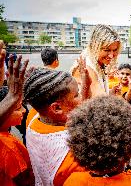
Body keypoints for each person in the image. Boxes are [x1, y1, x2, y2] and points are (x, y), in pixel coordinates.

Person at [24, 65, 91, 186]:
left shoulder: (34, 117)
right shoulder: (73, 156)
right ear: (57, 108)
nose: (81, 98)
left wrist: (86, 87)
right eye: (77, 95)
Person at [0, 56, 35, 185]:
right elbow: (24, 181)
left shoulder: (5, 135)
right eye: (17, 108)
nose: (24, 111)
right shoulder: (7, 147)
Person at [71, 24, 121, 96]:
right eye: (107, 50)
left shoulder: (98, 62)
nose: (111, 55)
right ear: (95, 46)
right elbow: (101, 100)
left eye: (115, 50)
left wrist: (110, 93)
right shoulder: (87, 66)